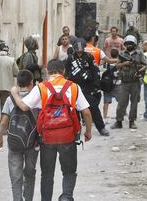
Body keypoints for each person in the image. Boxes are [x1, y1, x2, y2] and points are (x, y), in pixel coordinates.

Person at [11, 59, 93, 201]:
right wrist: (88, 132)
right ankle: (66, 197)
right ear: (63, 72)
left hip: (47, 137)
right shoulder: (73, 87)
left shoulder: (42, 87)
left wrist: (15, 94)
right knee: (69, 171)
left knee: (47, 174)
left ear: (48, 72)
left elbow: (24, 107)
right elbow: (86, 112)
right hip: (68, 137)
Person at [0, 70, 39, 201]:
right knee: (30, 173)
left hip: (15, 142)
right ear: (31, 83)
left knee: (16, 175)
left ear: (17, 83)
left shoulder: (11, 99)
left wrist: (0, 138)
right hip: (33, 142)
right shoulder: (37, 97)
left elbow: (4, 121)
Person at [66, 38, 110, 136]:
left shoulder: (89, 57)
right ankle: (76, 130)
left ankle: (101, 127)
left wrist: (96, 86)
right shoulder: (70, 58)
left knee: (93, 108)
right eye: (77, 49)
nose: (79, 51)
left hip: (88, 87)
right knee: (74, 109)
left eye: (81, 49)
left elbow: (95, 71)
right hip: (75, 87)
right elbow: (67, 72)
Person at [111, 35, 147, 130]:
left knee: (134, 102)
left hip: (135, 82)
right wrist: (125, 64)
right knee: (122, 102)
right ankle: (119, 121)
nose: (129, 45)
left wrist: (139, 71)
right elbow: (117, 66)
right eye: (127, 44)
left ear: (134, 44)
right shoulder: (122, 53)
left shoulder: (139, 54)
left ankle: (132, 121)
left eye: (131, 43)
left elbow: (146, 65)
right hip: (124, 82)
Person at [102, 48, 120, 123]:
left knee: (106, 101)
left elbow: (102, 71)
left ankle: (105, 115)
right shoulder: (119, 63)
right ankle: (119, 114)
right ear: (118, 54)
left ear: (110, 54)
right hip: (117, 84)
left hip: (107, 85)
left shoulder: (106, 63)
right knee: (120, 100)